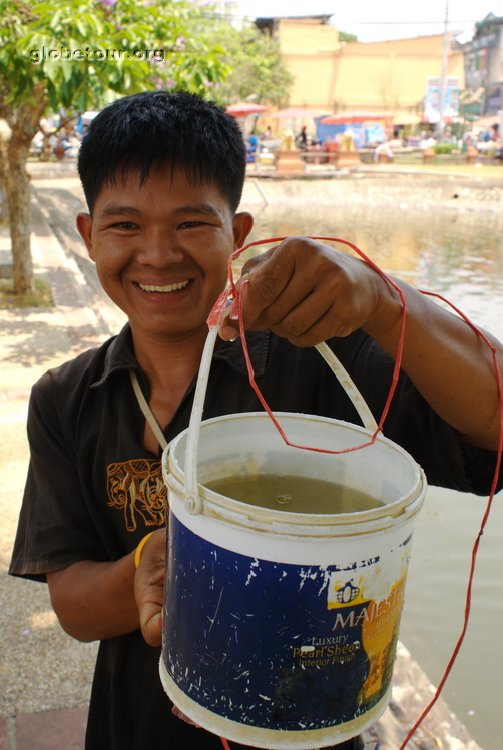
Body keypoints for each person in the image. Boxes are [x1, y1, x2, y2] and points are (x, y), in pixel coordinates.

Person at [9, 90, 503, 750]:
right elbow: (71, 603)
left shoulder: (322, 359)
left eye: (190, 224)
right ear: (87, 235)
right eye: (124, 225)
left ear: (237, 234)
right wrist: (147, 569)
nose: (157, 254)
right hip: (137, 725)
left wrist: (385, 301)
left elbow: (492, 424)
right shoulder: (66, 397)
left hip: (307, 722)